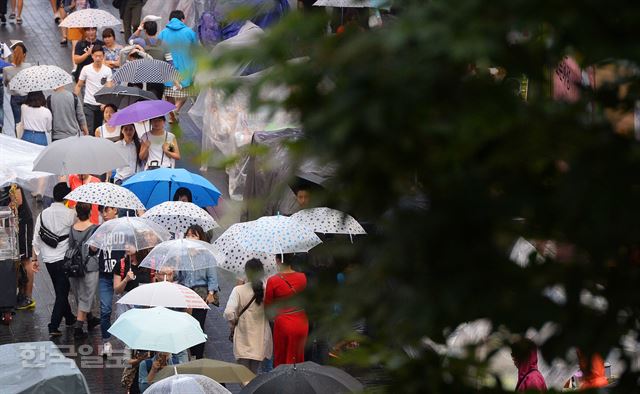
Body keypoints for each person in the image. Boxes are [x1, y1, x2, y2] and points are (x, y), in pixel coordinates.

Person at [32, 183, 76, 336]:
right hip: (63, 259)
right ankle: (53, 325)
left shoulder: (42, 214)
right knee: (62, 293)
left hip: (48, 261)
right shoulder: (71, 214)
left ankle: (69, 318)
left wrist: (34, 260)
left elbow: (36, 239)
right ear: (66, 198)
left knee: (60, 289)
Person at [177, 225, 219, 360]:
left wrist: (211, 293)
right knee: (185, 325)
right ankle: (187, 354)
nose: (190, 238)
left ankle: (198, 356)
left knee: (198, 325)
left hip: (200, 294)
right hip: (184, 294)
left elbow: (212, 277)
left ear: (200, 238)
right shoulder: (182, 255)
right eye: (188, 235)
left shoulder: (207, 255)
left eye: (194, 235)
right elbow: (179, 277)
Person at [224, 258, 273, 374]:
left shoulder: (238, 290)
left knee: (243, 375)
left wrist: (234, 322)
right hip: (260, 338)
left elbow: (228, 312)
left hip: (243, 337)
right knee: (254, 372)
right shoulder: (267, 290)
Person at [264, 253, 309, 367]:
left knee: (282, 358)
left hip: (283, 322)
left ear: (278, 261)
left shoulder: (273, 280)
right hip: (301, 321)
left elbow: (268, 307)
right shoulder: (302, 277)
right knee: (298, 357)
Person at [158, 9, 198, 123]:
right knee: (185, 92)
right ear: (183, 19)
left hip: (168, 68)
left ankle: (172, 113)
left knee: (169, 93)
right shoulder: (189, 32)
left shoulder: (163, 33)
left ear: (170, 20)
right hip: (186, 68)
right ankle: (176, 109)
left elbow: (159, 50)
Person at [68, 202, 99, 339]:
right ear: (90, 213)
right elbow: (94, 249)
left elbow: (70, 246)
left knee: (81, 293)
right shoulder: (94, 229)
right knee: (87, 295)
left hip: (74, 266)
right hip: (90, 266)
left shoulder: (72, 228)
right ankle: (78, 328)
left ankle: (90, 319)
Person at [0, 184, 34, 309]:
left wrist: (5, 210)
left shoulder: (11, 180)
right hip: (9, 222)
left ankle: (28, 297)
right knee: (14, 258)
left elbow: (18, 201)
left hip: (22, 221)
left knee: (25, 258)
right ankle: (18, 293)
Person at [97, 206, 123, 356]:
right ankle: (106, 341)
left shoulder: (123, 229)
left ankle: (130, 345)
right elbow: (93, 250)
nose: (105, 214)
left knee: (127, 311)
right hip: (105, 275)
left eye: (108, 210)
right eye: (103, 211)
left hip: (121, 275)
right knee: (105, 309)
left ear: (116, 211)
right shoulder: (99, 229)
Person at [74, 45, 113, 134]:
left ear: (103, 56)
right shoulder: (86, 69)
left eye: (100, 56)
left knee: (98, 129)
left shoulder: (107, 70)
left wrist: (106, 102)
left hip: (101, 105)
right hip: (88, 103)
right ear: (92, 56)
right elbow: (79, 85)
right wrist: (74, 98)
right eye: (96, 56)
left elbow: (109, 87)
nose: (98, 58)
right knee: (89, 129)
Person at [3, 42, 31, 128]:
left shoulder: (7, 69)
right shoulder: (28, 66)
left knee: (17, 122)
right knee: (28, 121)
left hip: (15, 97)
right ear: (24, 54)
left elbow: (5, 83)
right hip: (27, 96)